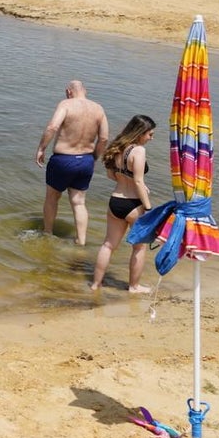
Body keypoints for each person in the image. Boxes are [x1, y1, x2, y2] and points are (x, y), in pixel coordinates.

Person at [34, 80, 109, 245]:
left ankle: (47, 232)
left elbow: (52, 127)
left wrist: (41, 148)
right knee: (79, 202)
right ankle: (81, 240)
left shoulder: (66, 104)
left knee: (52, 197)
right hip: (86, 160)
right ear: (85, 91)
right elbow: (104, 138)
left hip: (63, 159)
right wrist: (94, 157)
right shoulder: (98, 109)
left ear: (68, 91)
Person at [90, 115, 156, 293]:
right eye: (150, 134)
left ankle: (96, 284)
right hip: (134, 204)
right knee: (139, 247)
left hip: (115, 201)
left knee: (108, 245)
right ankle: (134, 287)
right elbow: (138, 182)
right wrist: (149, 208)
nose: (151, 138)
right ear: (140, 133)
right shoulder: (139, 151)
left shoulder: (117, 147)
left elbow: (111, 175)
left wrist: (127, 180)